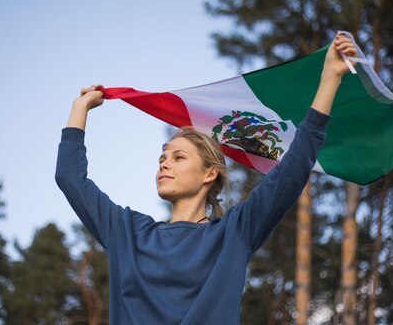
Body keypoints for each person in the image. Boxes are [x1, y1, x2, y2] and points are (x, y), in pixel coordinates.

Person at [55, 32, 358, 324]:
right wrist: (79, 108)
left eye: (178, 157)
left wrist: (330, 77)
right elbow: (70, 177)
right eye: (162, 157)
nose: (164, 164)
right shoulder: (127, 232)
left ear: (209, 174)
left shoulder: (233, 234)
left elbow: (293, 169)